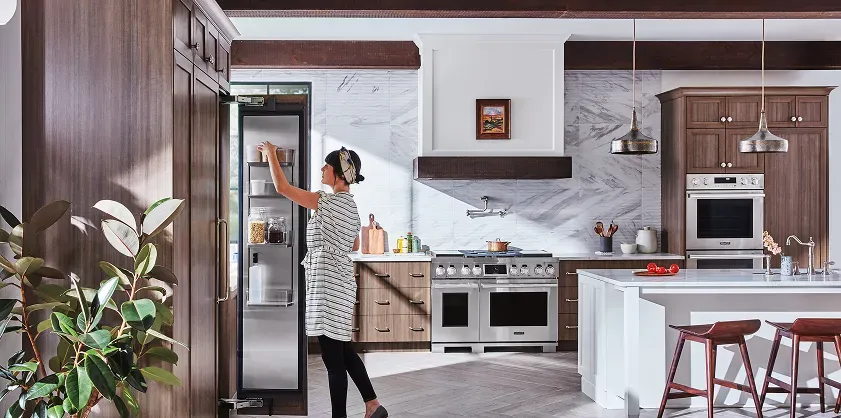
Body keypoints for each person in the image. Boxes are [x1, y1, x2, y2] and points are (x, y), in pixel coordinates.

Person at [257, 141, 388, 418]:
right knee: (343, 349)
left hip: (328, 286)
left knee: (333, 361)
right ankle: (373, 404)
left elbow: (283, 188)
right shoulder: (350, 206)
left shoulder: (327, 201)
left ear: (339, 174)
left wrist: (270, 155)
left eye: (326, 166)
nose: (321, 169)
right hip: (340, 283)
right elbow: (353, 244)